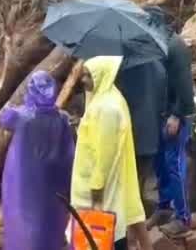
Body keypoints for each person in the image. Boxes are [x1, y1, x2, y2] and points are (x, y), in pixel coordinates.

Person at [72, 56, 150, 250]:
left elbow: (105, 153)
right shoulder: (106, 98)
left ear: (102, 76)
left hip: (99, 189)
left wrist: (97, 189)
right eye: (83, 75)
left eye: (89, 76)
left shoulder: (106, 108)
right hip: (104, 185)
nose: (83, 80)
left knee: (103, 236)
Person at [0, 71, 75, 250]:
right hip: (53, 181)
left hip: (22, 180)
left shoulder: (21, 116)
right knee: (49, 221)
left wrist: (11, 103)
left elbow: (4, 117)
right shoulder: (62, 118)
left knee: (22, 220)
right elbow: (69, 152)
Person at [148, 7, 194, 237]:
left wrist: (177, 114)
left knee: (175, 165)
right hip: (160, 114)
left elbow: (185, 86)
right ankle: (164, 207)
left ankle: (183, 218)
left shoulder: (175, 46)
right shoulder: (156, 45)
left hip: (176, 116)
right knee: (160, 164)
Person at [115, 54, 168, 214]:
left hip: (129, 129)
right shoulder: (159, 65)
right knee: (141, 174)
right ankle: (138, 207)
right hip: (151, 130)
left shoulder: (124, 66)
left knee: (125, 176)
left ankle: (127, 213)